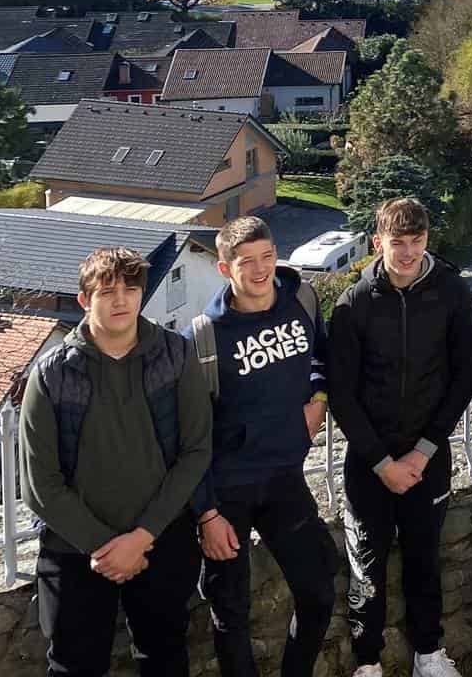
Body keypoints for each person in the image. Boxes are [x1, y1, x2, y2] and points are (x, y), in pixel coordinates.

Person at [22, 247, 212, 677]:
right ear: (84, 301)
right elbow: (39, 484)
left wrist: (140, 538)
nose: (121, 300)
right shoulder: (52, 373)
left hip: (162, 539)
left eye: (131, 288)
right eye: (107, 291)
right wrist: (105, 548)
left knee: (164, 657)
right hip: (75, 549)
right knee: (74, 665)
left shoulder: (176, 355)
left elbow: (196, 449)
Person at [327, 197, 472, 677]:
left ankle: (428, 655)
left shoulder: (453, 292)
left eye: (416, 242)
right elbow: (341, 393)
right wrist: (381, 462)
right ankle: (368, 663)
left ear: (428, 240)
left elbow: (465, 377)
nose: (408, 252)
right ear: (378, 243)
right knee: (366, 570)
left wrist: (422, 452)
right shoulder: (353, 303)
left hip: (428, 457)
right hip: (368, 464)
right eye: (398, 243)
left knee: (424, 562)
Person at [192, 219, 338, 677]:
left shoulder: (303, 299)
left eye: (267, 257)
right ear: (224, 268)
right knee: (229, 612)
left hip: (284, 479)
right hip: (226, 490)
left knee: (318, 592)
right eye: (246, 262)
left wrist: (318, 399)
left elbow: (323, 356)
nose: (260, 270)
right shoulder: (206, 335)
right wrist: (206, 514)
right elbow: (189, 435)